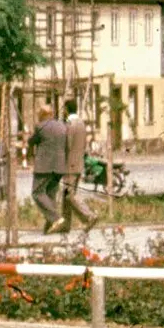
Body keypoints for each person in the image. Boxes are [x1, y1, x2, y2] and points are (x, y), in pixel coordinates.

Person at [27, 106, 68, 233]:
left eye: (39, 113)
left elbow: (32, 141)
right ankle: (50, 226)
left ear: (43, 114)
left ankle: (56, 218)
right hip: (60, 166)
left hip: (44, 166)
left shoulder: (41, 127)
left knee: (37, 192)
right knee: (51, 194)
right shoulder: (62, 126)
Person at [61, 98, 98, 234]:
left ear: (66, 109)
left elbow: (67, 144)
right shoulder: (81, 123)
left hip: (69, 164)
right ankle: (65, 224)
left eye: (63, 108)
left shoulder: (70, 123)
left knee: (69, 195)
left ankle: (89, 216)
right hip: (79, 163)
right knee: (67, 195)